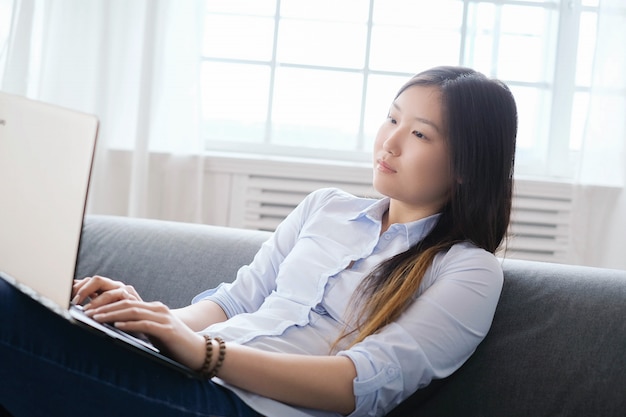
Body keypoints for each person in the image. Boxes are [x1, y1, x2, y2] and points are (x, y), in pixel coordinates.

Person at [0, 65, 517, 417]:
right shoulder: (325, 207)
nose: (390, 141)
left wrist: (205, 354)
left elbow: (359, 383)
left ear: (469, 165)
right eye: (392, 116)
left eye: (420, 134)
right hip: (190, 375)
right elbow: (237, 301)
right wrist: (146, 320)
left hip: (244, 407)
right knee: (28, 303)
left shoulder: (467, 270)